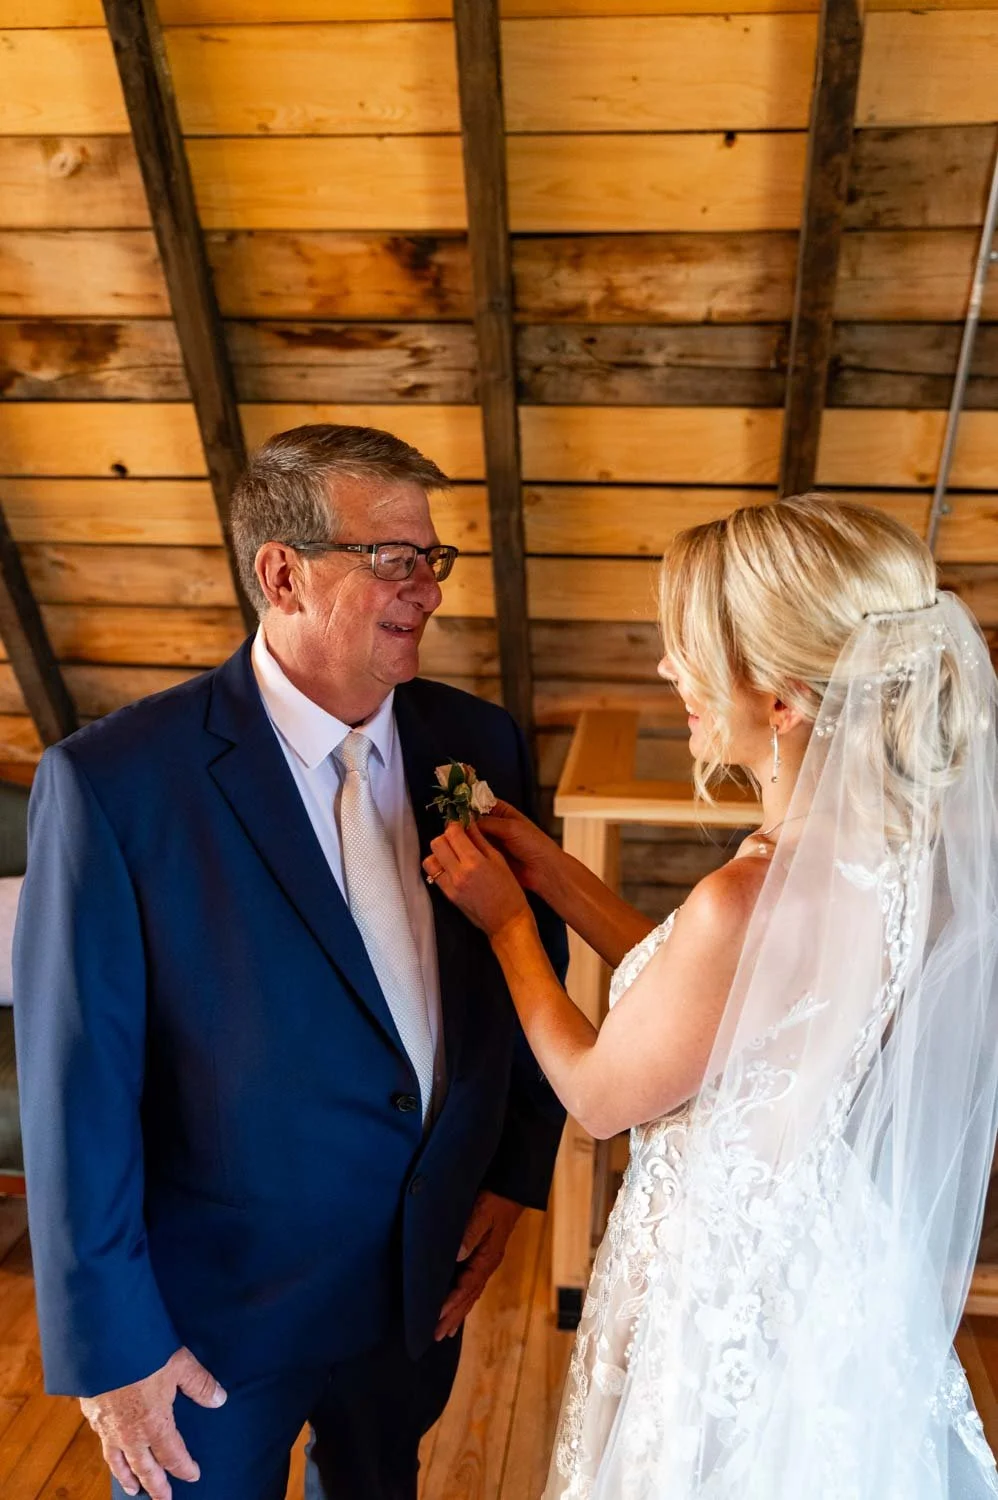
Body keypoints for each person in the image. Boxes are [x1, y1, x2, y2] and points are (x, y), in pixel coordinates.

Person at [13, 423, 567, 1500]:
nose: (428, 590)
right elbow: (76, 1085)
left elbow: (520, 962)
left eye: (433, 559)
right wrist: (113, 1346)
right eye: (393, 558)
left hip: (417, 1282)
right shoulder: (116, 783)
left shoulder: (477, 743)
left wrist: (509, 1171)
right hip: (210, 1320)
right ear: (282, 574)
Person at [424, 495, 998, 1498]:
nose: (666, 670)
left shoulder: (742, 898)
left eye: (692, 652)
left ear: (781, 700)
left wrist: (506, 924)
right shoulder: (888, 850)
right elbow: (718, 1009)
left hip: (715, 1279)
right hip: (812, 1249)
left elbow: (599, 1095)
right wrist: (553, 875)